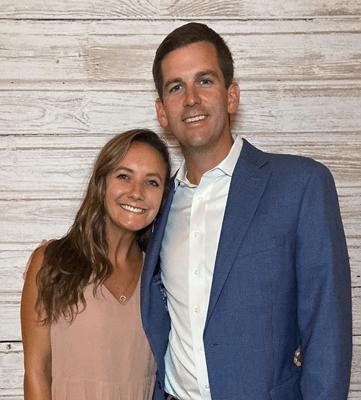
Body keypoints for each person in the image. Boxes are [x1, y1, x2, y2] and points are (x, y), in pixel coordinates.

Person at [141, 22, 352, 400]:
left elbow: (328, 332)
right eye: (176, 87)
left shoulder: (301, 185)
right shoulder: (156, 205)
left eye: (204, 81)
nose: (190, 98)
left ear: (231, 96)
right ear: (162, 111)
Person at [21, 129, 171, 399]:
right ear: (102, 183)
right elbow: (36, 372)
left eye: (152, 182)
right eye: (124, 176)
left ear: (163, 197)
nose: (137, 193)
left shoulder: (164, 276)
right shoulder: (52, 263)